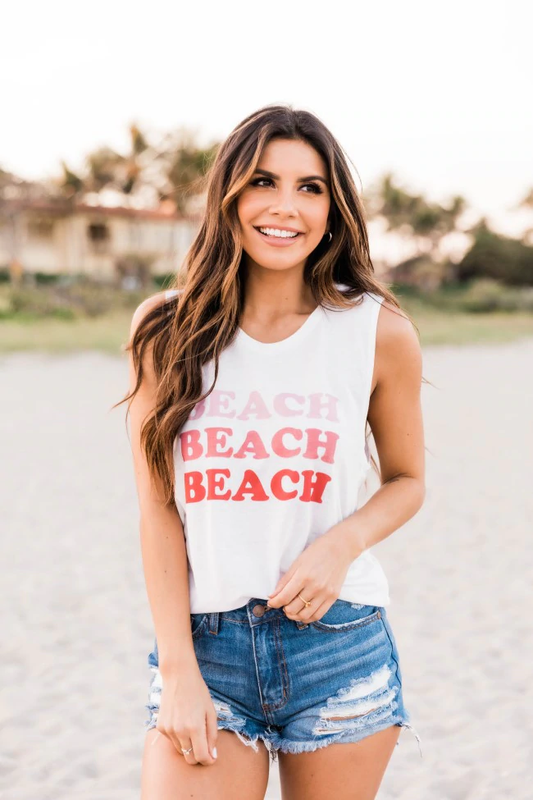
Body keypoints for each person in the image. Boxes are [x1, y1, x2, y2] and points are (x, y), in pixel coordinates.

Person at [118, 103, 425, 800]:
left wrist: (340, 544)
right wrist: (178, 670)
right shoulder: (164, 329)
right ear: (228, 196)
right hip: (207, 649)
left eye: (309, 187)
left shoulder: (376, 330)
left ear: (331, 209)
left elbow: (408, 480)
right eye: (263, 181)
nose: (285, 206)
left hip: (336, 643)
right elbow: (158, 510)